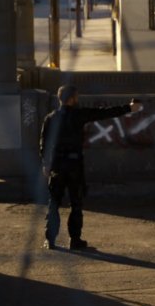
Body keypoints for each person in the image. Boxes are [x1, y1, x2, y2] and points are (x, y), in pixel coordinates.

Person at [40, 85, 143, 250]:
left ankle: (50, 239)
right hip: (74, 165)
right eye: (76, 97)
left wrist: (45, 165)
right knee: (76, 203)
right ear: (72, 98)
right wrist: (129, 108)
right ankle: (75, 240)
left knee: (54, 203)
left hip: (57, 166)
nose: (78, 99)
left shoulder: (50, 118)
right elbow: (103, 112)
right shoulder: (79, 115)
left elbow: (44, 144)